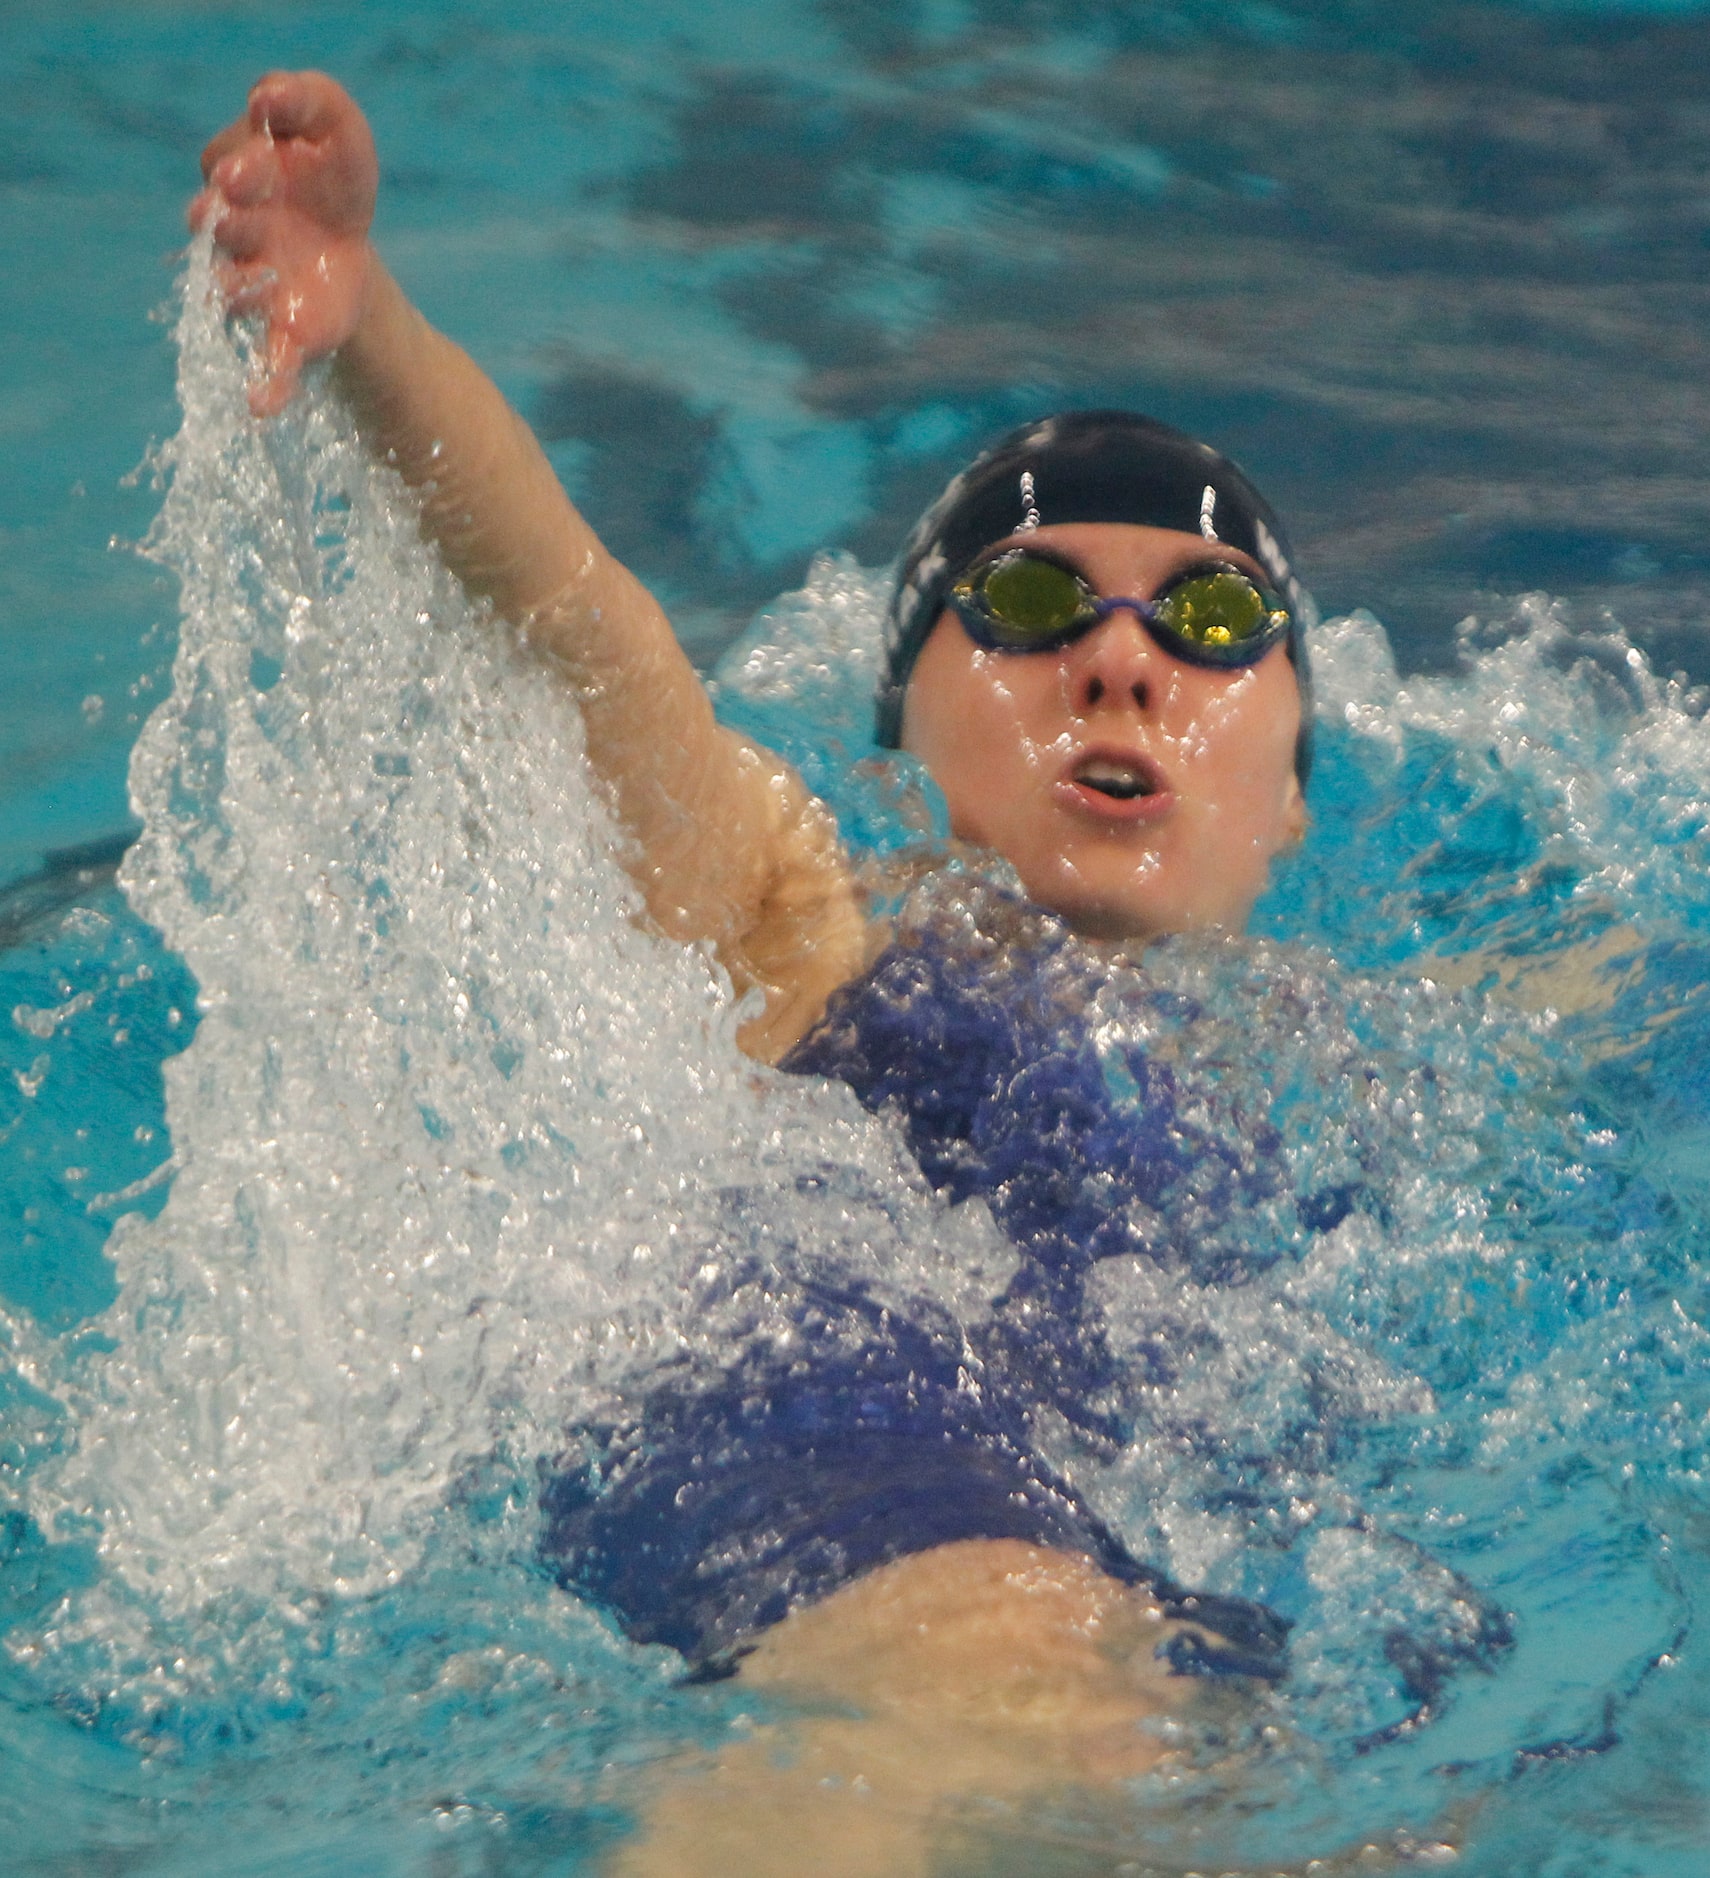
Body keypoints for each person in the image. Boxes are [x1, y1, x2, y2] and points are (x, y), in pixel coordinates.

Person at [192, 72, 1493, 1875]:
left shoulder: (1391, 1042)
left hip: (1117, 1534)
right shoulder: (811, 905)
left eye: (1205, 621)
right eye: (1033, 606)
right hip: (801, 1419)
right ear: (903, 719)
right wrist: (368, 312)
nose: (1120, 666)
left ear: (1287, 791)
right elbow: (585, 627)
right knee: (1028, 1695)